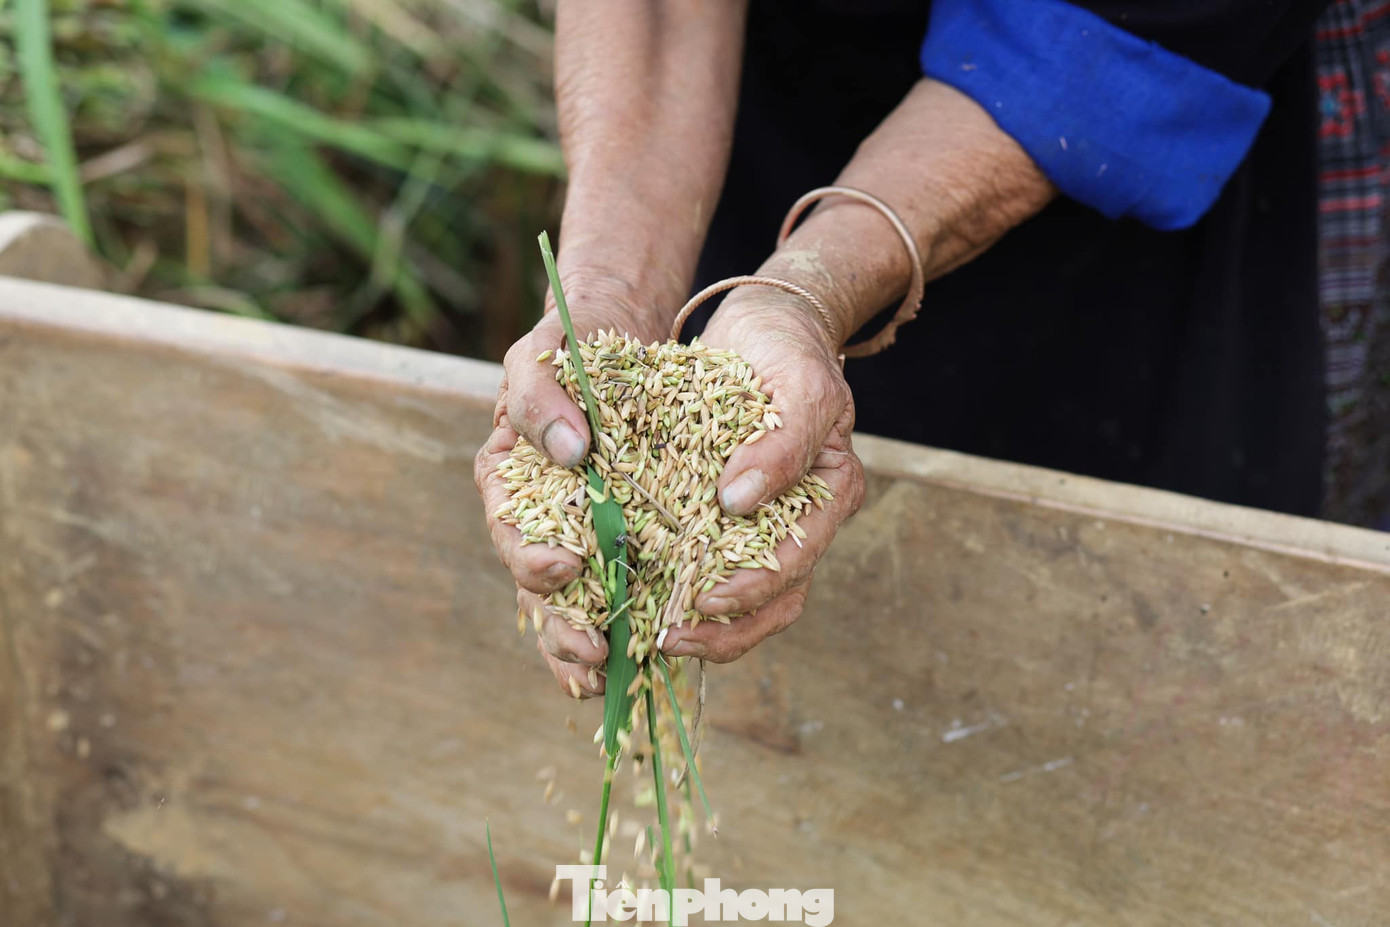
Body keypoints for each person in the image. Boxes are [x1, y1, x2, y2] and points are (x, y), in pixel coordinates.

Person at [476, 0, 1333, 698]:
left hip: (1126, 105)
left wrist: (812, 284)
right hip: (770, 92)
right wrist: (611, 293)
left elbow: (1113, 35)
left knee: (1136, 623)